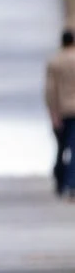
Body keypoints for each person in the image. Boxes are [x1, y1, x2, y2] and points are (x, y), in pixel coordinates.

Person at [46, 29, 75, 196]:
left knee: (62, 146)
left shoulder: (55, 62)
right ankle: (70, 182)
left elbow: (51, 90)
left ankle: (61, 179)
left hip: (63, 109)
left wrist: (53, 112)